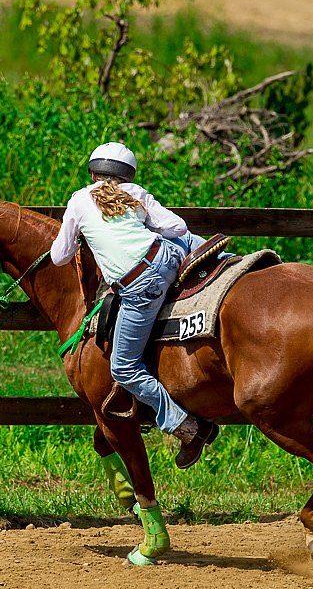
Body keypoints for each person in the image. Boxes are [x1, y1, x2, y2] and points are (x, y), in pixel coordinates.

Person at [50, 142, 218, 469]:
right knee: (181, 239)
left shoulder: (79, 200)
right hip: (168, 256)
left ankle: (188, 428)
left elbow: (59, 256)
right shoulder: (136, 193)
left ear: (93, 172)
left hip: (141, 284)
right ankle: (222, 260)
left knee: (123, 367)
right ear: (128, 174)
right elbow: (177, 227)